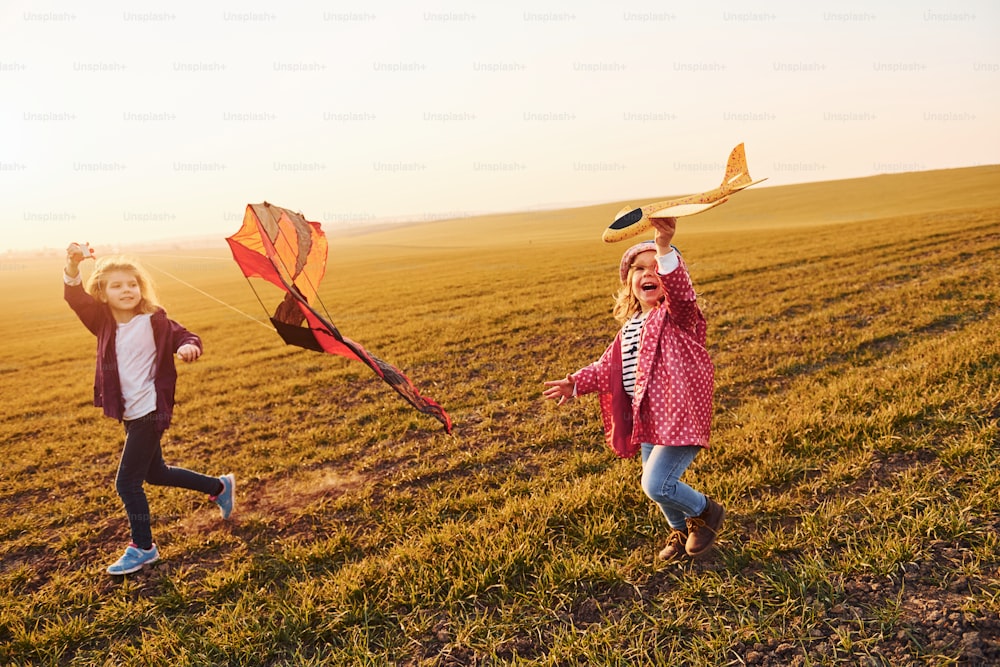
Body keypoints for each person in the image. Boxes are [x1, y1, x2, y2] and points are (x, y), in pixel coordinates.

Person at [543, 217, 724, 561]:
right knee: (656, 489)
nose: (648, 273)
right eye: (639, 269)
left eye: (656, 267)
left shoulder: (679, 317)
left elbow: (682, 295)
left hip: (679, 419)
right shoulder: (629, 328)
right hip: (649, 421)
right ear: (629, 284)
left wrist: (665, 246)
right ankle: (681, 530)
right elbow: (606, 368)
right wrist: (576, 383)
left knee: (656, 483)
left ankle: (706, 512)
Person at [63, 243, 235, 575]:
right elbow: (74, 297)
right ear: (102, 292)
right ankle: (219, 487)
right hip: (129, 412)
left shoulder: (154, 320)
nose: (126, 290)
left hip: (151, 410)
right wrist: (72, 265)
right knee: (156, 473)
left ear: (141, 288)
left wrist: (187, 346)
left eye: (132, 284)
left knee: (127, 483)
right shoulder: (101, 321)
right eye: (117, 285)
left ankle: (143, 548)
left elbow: (186, 335)